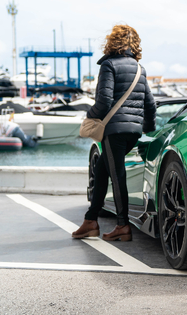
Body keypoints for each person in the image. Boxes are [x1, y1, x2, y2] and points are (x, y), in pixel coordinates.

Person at [72, 24, 156, 242]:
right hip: (133, 131)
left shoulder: (109, 65)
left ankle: (122, 226)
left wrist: (90, 116)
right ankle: (90, 221)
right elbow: (150, 104)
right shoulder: (140, 69)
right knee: (102, 171)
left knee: (117, 176)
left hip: (114, 130)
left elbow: (104, 101)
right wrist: (146, 127)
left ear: (112, 42)